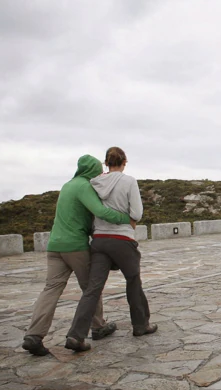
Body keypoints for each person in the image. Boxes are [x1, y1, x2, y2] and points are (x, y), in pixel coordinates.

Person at [22, 155, 132, 356]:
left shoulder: (67, 185)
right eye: (98, 170)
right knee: (91, 287)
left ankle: (34, 335)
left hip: (54, 246)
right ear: (90, 170)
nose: (100, 173)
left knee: (51, 289)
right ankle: (98, 327)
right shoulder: (84, 187)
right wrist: (126, 218)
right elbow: (100, 211)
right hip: (75, 247)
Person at [65, 147, 156, 352]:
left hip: (99, 240)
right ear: (124, 161)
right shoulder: (129, 181)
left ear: (106, 163)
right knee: (133, 280)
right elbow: (137, 213)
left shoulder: (95, 183)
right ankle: (141, 325)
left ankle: (75, 334)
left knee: (93, 288)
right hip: (122, 239)